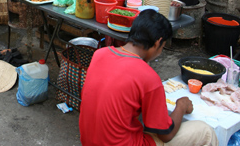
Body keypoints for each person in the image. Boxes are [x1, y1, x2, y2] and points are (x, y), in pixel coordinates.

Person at [79, 9, 218, 146]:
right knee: (205, 131)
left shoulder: (100, 54)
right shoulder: (148, 77)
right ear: (158, 43)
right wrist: (181, 106)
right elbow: (166, 135)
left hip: (89, 141)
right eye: (162, 47)